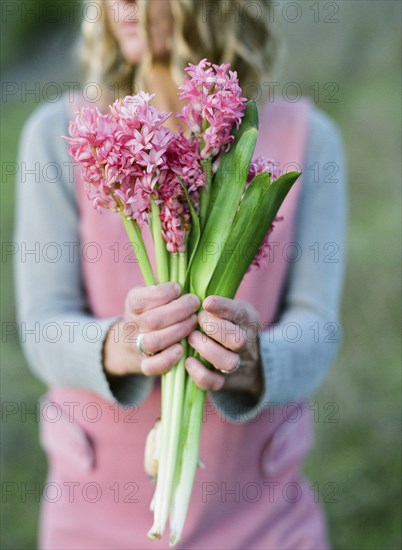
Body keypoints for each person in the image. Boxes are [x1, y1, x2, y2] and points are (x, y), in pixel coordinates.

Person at [15, 1, 346, 548]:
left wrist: (257, 360)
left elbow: (319, 328)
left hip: (264, 518)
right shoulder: (60, 135)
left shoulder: (309, 141)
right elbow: (41, 327)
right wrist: (119, 345)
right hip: (93, 515)